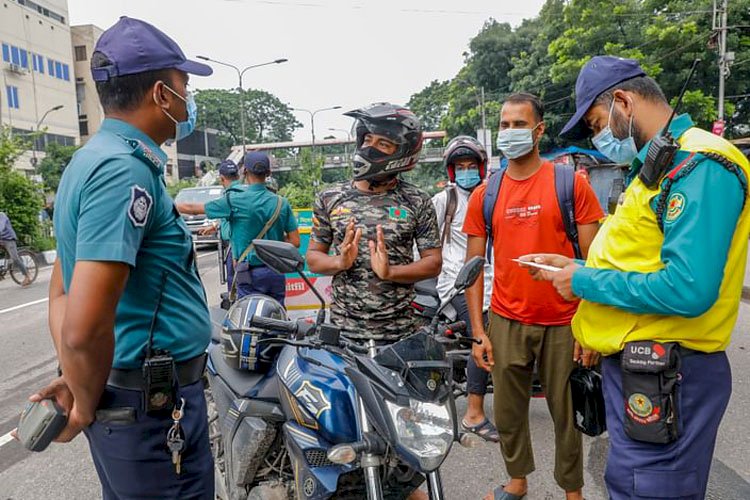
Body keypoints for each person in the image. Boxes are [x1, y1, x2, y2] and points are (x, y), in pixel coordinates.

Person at [525, 55, 750, 500]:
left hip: (668, 373)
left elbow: (689, 288)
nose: (598, 138)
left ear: (623, 102)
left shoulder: (700, 162)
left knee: (648, 490)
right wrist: (579, 270)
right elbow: (639, 263)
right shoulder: (657, 167)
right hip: (643, 370)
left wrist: (584, 283)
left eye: (594, 125)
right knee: (632, 485)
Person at [21, 17, 215, 499]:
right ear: (160, 94)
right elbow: (83, 324)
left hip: (137, 403)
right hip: (150, 411)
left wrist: (73, 377)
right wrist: (83, 399)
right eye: (184, 85)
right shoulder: (121, 173)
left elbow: (62, 289)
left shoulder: (92, 160)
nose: (188, 99)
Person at [462, 93, 604, 500]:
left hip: (565, 321)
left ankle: (572, 491)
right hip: (506, 319)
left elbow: (595, 263)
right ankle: (517, 481)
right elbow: (473, 269)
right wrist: (478, 330)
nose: (509, 133)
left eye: (518, 125)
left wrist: (590, 329)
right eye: (504, 126)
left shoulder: (570, 184)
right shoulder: (485, 195)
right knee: (507, 412)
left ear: (538, 131)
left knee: (566, 415)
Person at [306, 102, 442, 341]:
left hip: (400, 332)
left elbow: (433, 263)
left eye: (383, 143)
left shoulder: (416, 200)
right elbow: (314, 259)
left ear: (402, 151)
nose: (370, 148)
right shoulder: (329, 198)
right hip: (343, 332)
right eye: (368, 139)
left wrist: (391, 272)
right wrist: (340, 261)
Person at [431, 136, 497, 442]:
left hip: (495, 279)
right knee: (480, 334)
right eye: (460, 167)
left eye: (472, 166)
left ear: (482, 168)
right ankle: (473, 413)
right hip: (458, 282)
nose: (466, 171)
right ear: (451, 170)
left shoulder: (494, 194)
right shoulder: (445, 201)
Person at [177, 151, 300, 302]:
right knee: (277, 317)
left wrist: (162, 204)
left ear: (245, 171)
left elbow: (191, 208)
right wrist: (272, 244)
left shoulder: (233, 200)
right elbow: (295, 241)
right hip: (276, 273)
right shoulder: (282, 203)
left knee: (249, 318)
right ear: (268, 173)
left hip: (248, 272)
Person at [199, 159, 244, 292]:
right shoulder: (244, 193)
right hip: (243, 247)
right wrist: (216, 226)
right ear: (238, 175)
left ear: (222, 179)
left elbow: (195, 208)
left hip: (236, 248)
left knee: (236, 285)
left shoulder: (230, 197)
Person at [0, 211, 32, 286]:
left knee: (15, 258)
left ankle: (27, 275)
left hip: (9, 239)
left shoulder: (2, 215)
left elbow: (1, 228)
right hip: (1, 240)